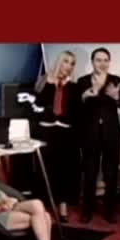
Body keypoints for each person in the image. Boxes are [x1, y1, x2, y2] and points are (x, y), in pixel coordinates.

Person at [76, 47, 120, 224]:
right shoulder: (83, 81)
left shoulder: (116, 80)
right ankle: (87, 211)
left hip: (111, 135)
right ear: (92, 62)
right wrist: (84, 97)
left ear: (109, 62)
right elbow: (75, 108)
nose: (102, 63)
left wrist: (117, 97)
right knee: (89, 174)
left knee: (111, 174)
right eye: (99, 60)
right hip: (89, 135)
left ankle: (110, 211)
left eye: (106, 60)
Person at [34, 50, 81, 223]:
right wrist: (50, 83)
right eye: (66, 61)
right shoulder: (44, 80)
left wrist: (67, 87)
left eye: (72, 63)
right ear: (59, 62)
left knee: (65, 170)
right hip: (47, 132)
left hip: (66, 133)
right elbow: (38, 104)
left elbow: (76, 111)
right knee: (47, 169)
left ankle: (63, 206)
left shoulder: (74, 87)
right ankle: (44, 205)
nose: (68, 66)